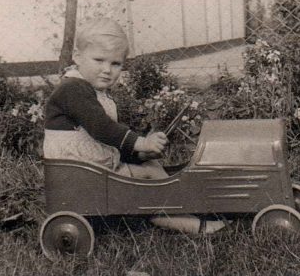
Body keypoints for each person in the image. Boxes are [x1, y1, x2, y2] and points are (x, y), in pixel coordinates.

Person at [43, 17, 228, 233]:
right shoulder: (72, 90)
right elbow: (102, 129)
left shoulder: (95, 93)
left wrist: (139, 155)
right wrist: (141, 143)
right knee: (147, 185)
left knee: (151, 167)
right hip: (79, 176)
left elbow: (109, 141)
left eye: (115, 64)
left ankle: (182, 209)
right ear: (77, 57)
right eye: (99, 60)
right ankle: (193, 223)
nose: (107, 70)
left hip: (96, 169)